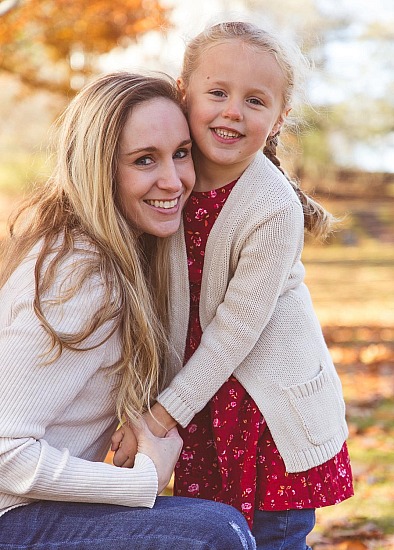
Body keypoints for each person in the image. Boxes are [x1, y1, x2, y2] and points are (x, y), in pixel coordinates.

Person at [113, 22, 354, 550]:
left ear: (278, 119)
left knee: (272, 538)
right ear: (185, 93)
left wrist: (158, 417)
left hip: (265, 416)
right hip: (201, 402)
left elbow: (234, 332)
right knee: (211, 534)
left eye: (255, 100)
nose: (232, 111)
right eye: (217, 93)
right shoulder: (169, 177)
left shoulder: (270, 207)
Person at [0, 71, 256, 550]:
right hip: (9, 518)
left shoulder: (122, 258)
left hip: (28, 511)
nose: (173, 180)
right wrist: (139, 484)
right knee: (213, 536)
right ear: (99, 170)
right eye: (144, 160)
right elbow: (3, 452)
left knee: (222, 528)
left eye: (181, 153)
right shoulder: (79, 275)